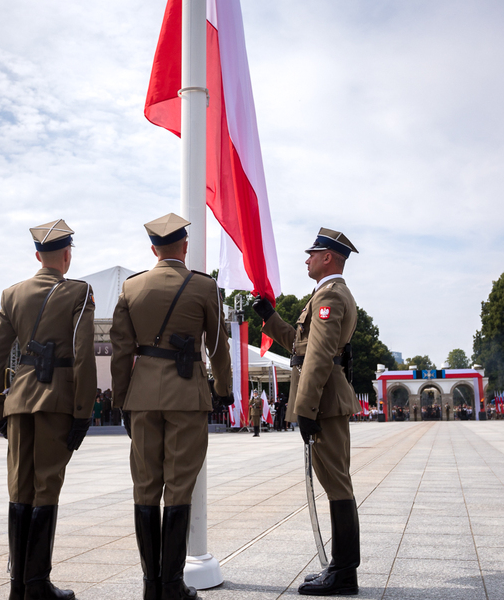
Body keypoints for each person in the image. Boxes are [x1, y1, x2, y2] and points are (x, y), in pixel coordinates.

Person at [110, 213, 233, 600]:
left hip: (143, 396)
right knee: (179, 487)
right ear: (184, 246)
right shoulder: (204, 286)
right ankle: (172, 585)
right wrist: (224, 389)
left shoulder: (131, 288)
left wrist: (121, 401)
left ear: (153, 249)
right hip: (186, 396)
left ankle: (151, 586)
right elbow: (218, 345)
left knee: (145, 488)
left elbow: (120, 351)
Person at [0, 219, 97, 600]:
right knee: (46, 488)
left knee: (20, 489)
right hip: (56, 400)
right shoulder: (79, 292)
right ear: (67, 255)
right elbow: (83, 355)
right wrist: (83, 410)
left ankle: (18, 586)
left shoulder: (11, 295)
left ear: (38, 257)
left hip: (19, 401)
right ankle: (37, 585)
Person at [253, 227, 362, 596]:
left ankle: (344, 572)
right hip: (323, 401)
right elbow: (300, 346)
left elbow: (319, 356)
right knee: (334, 482)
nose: (307, 260)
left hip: (324, 401)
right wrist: (270, 317)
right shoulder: (324, 294)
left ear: (327, 257)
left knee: (336, 483)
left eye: (312, 254)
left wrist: (306, 408)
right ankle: (340, 568)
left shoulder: (330, 295)